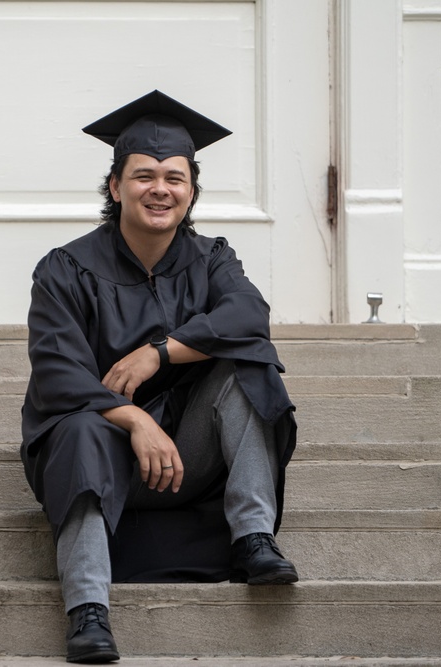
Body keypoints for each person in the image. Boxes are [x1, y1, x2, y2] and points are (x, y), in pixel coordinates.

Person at [20, 90, 299, 664]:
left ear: (191, 190)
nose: (160, 188)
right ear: (116, 186)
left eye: (174, 177)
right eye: (143, 175)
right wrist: (133, 419)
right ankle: (88, 613)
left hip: (187, 455)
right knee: (77, 432)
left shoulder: (212, 258)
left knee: (249, 360)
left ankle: (253, 536)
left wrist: (160, 352)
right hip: (101, 450)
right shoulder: (64, 269)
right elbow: (56, 369)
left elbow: (250, 316)